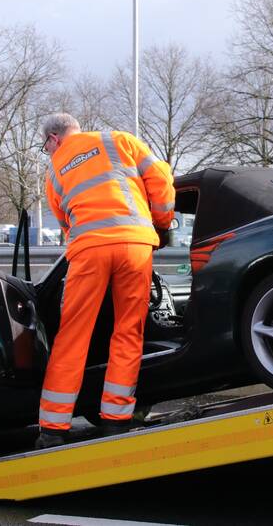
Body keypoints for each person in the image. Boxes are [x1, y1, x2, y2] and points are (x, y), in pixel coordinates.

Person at [35, 113, 175, 450]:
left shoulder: (54, 170)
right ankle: (115, 420)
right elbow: (161, 178)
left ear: (54, 139)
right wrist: (162, 220)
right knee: (128, 331)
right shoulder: (119, 141)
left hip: (88, 252)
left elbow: (65, 220)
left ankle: (53, 427)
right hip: (134, 245)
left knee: (72, 335)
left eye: (45, 146)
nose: (47, 151)